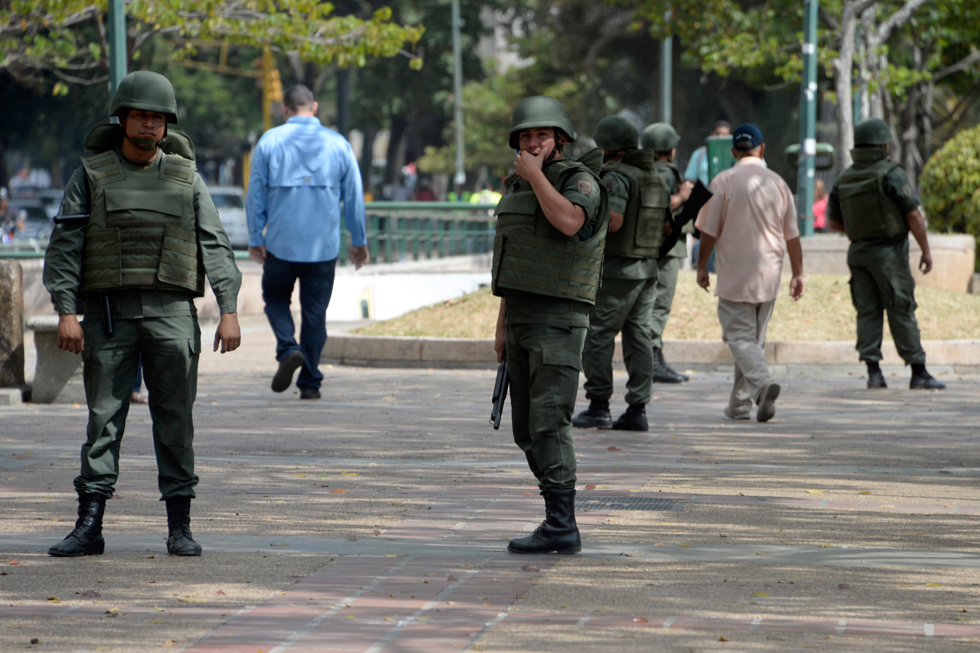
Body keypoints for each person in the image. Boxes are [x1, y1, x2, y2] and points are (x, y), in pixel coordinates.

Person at [43, 71, 242, 557]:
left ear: (166, 124)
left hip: (172, 312)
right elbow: (64, 248)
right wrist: (67, 311)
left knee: (175, 419)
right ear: (123, 118)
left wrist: (230, 309)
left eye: (158, 118)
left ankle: (180, 526)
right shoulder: (90, 175)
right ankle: (89, 526)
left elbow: (214, 245)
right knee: (103, 420)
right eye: (141, 116)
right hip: (109, 314)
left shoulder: (186, 177)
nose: (150, 125)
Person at [492, 96, 608, 554]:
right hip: (521, 316)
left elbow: (569, 223)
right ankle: (554, 516)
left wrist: (537, 176)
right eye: (526, 137)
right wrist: (501, 326)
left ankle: (562, 525)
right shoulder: (518, 187)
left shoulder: (579, 181)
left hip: (559, 319)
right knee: (525, 427)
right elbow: (510, 259)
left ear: (560, 140)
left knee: (549, 421)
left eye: (542, 135)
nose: (533, 143)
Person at [246, 85, 369, 400]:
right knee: (315, 314)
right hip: (322, 248)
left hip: (280, 245)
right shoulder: (338, 144)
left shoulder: (270, 141)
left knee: (275, 300)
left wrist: (254, 235)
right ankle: (310, 383)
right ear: (313, 108)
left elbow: (256, 194)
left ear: (285, 109)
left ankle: (288, 348)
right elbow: (354, 196)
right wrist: (359, 240)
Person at [694, 123, 804, 422]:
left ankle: (762, 385)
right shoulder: (779, 183)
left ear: (733, 151)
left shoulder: (722, 181)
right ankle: (740, 405)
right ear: (762, 148)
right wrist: (798, 273)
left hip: (735, 274)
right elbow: (792, 236)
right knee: (752, 342)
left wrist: (702, 265)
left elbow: (707, 231)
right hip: (770, 273)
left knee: (740, 339)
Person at [827, 118, 945, 391]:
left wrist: (860, 233)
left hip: (858, 253)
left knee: (867, 312)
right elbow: (914, 215)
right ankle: (918, 372)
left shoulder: (843, 178)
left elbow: (834, 222)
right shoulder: (891, 173)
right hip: (889, 254)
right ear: (883, 144)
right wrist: (926, 250)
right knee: (901, 308)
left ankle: (874, 374)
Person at [573, 116, 667, 432]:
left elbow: (614, 221)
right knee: (639, 337)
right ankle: (637, 408)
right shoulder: (653, 176)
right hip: (648, 269)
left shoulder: (616, 177)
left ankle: (599, 405)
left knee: (597, 337)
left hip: (617, 270)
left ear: (606, 146)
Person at [641, 123, 694, 384]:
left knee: (649, 301)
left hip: (647, 245)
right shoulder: (666, 172)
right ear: (668, 149)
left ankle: (652, 358)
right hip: (667, 246)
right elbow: (662, 203)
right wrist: (684, 196)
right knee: (660, 303)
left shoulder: (642, 169)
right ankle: (652, 359)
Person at [684, 120, 731, 186]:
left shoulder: (733, 155)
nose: (720, 137)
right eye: (717, 134)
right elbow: (689, 181)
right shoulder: (699, 153)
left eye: (724, 134)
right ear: (712, 134)